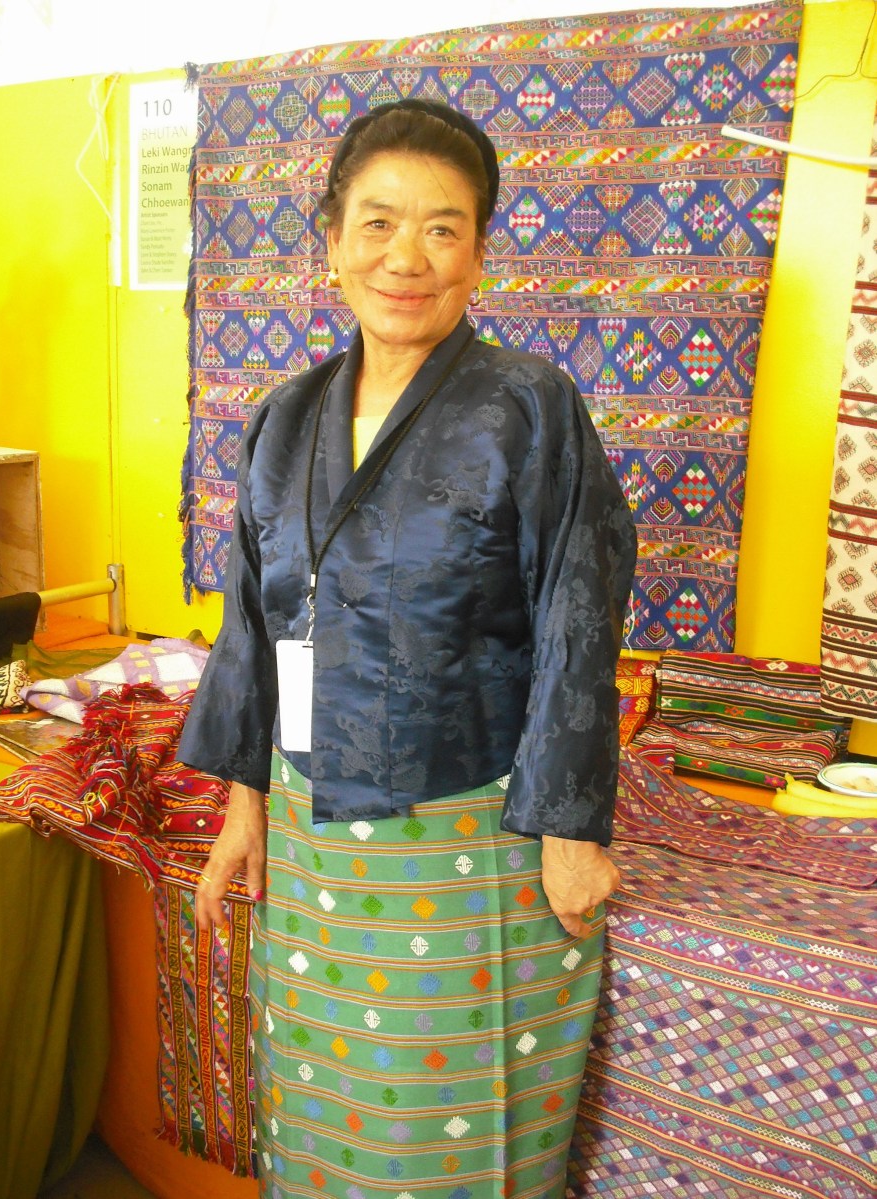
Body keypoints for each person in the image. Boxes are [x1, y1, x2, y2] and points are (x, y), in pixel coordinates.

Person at [179, 98, 637, 1199]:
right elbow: (256, 617)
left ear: (478, 251)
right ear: (330, 237)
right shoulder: (284, 416)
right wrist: (246, 808)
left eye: (442, 227)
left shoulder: (526, 404)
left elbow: (581, 605)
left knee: (448, 1117)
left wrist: (568, 825)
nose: (406, 256)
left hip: (465, 821)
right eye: (377, 222)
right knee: (329, 1105)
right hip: (312, 819)